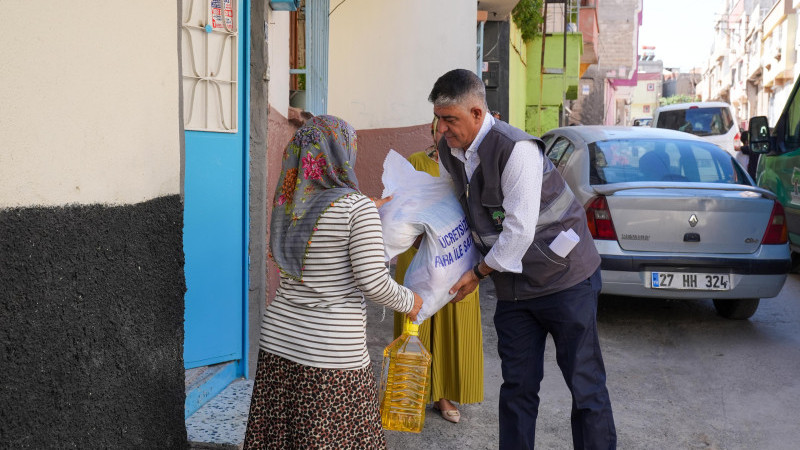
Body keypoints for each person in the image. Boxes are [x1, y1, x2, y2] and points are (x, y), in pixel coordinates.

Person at [428, 69, 616, 450]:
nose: (443, 129)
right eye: (439, 119)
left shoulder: (516, 149)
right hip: (514, 290)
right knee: (517, 388)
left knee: (585, 386)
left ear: (477, 114)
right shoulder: (450, 151)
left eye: (451, 120)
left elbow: (518, 232)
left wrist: (476, 274)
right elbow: (458, 207)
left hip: (566, 280)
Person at [243, 115, 423, 449]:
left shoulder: (289, 205)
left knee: (283, 440)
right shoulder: (356, 210)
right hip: (330, 353)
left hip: (279, 341)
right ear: (343, 154)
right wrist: (411, 300)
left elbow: (325, 221)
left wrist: (368, 207)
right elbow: (374, 283)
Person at [392, 117, 484, 424]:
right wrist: (417, 235)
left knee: (452, 317)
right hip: (419, 254)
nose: (444, 132)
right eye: (439, 126)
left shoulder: (469, 165)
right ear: (434, 130)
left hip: (456, 257)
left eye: (449, 127)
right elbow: (398, 206)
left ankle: (444, 393)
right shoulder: (416, 162)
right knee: (416, 318)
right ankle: (410, 392)